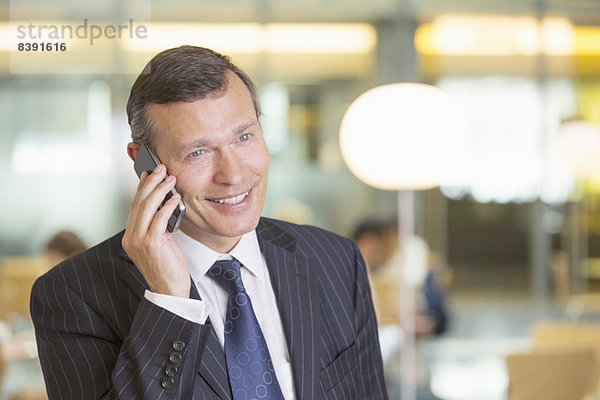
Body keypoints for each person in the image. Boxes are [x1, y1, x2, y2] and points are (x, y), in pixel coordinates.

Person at [30, 45, 387, 400]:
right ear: (144, 164)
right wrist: (170, 304)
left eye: (244, 137)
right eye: (197, 152)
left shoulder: (336, 260)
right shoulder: (71, 296)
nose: (233, 175)